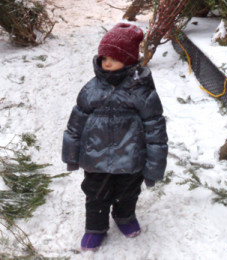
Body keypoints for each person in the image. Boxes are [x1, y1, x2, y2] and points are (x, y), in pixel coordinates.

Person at [62, 23, 168, 251]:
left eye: (114, 57)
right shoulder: (91, 90)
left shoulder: (142, 92)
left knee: (127, 193)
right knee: (95, 196)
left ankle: (125, 217)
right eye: (103, 58)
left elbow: (155, 131)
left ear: (128, 60)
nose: (107, 63)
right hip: (95, 160)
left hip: (131, 161)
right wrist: (72, 155)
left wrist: (153, 168)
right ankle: (95, 228)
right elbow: (75, 124)